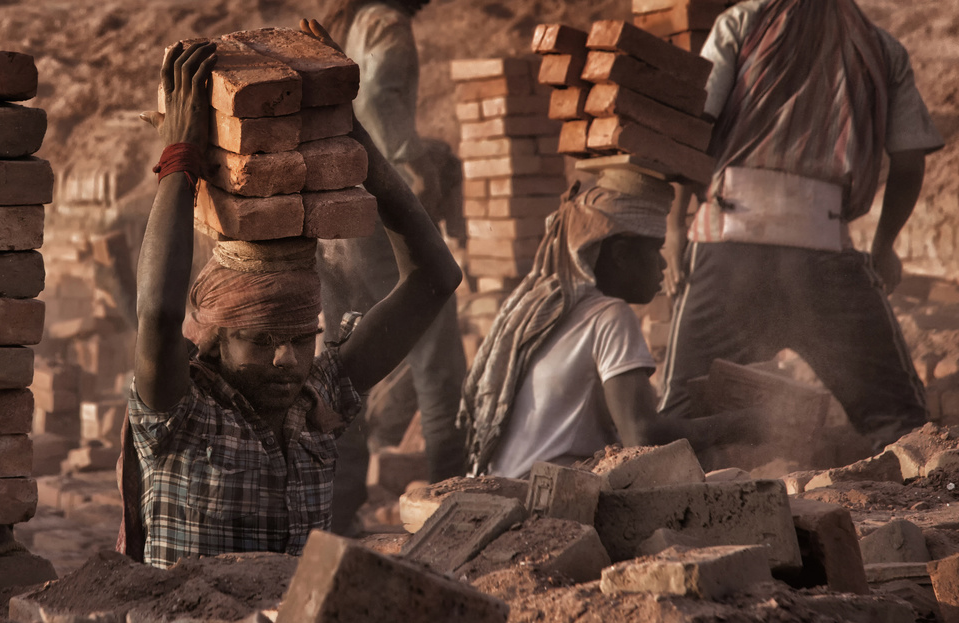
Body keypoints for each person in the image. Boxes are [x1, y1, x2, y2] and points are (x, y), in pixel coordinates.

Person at [117, 23, 462, 568]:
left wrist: (353, 147)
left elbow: (436, 279)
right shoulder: (181, 414)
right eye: (260, 341)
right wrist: (179, 156)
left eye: (304, 339)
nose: (288, 360)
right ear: (211, 340)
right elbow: (157, 313)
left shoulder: (318, 399)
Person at [658, 0, 944, 451]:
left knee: (680, 421)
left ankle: (671, 513)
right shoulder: (880, 46)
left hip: (730, 248)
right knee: (902, 424)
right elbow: (908, 161)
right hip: (823, 251)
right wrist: (884, 246)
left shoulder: (741, 24)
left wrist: (675, 227)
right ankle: (931, 512)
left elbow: (691, 126)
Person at [460, 176, 756, 479]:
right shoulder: (609, 315)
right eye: (656, 250)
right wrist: (747, 424)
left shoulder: (550, 309)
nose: (665, 265)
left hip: (505, 489)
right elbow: (642, 436)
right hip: (551, 502)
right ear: (621, 255)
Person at [318, 0, 468, 532]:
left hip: (342, 219)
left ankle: (336, 511)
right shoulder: (387, 23)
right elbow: (379, 96)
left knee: (341, 363)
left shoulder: (353, 24)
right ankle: (455, 498)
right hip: (382, 214)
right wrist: (413, 166)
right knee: (439, 361)